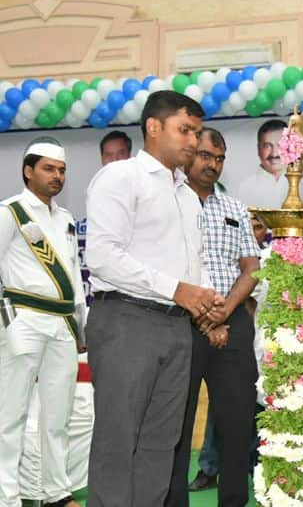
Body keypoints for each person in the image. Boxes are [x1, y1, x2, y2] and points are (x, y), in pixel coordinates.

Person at [84, 90, 225, 507]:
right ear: (153, 127)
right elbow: (103, 257)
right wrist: (178, 290)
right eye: (185, 130)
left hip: (177, 327)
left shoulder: (186, 194)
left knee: (162, 444)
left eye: (197, 133)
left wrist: (206, 305)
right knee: (118, 441)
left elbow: (189, 262)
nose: (194, 142)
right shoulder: (120, 177)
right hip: (126, 321)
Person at [166, 127, 261, 507]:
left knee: (238, 425)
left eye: (220, 159)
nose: (213, 165)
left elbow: (252, 267)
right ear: (189, 154)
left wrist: (225, 311)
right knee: (177, 423)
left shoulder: (235, 207)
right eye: (206, 156)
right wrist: (205, 314)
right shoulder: (167, 202)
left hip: (232, 320)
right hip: (179, 321)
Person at [0, 138, 84, 507]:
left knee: (58, 415)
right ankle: (8, 497)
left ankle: (56, 492)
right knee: (11, 414)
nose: (57, 176)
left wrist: (81, 327)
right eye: (49, 168)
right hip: (24, 319)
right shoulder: (10, 213)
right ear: (28, 170)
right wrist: (7, 320)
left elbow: (76, 280)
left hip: (63, 325)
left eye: (62, 169)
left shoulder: (64, 219)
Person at [233, 119, 303, 209]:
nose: (274, 153)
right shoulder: (245, 188)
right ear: (258, 149)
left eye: (280, 145)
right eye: (267, 146)